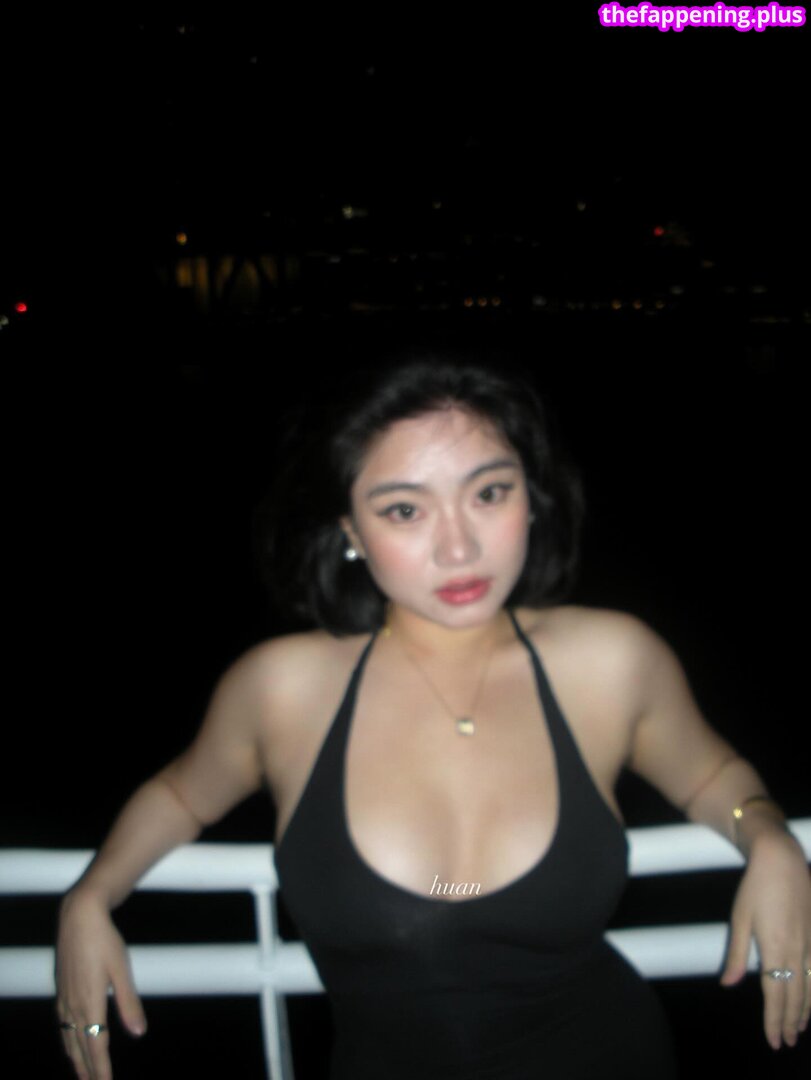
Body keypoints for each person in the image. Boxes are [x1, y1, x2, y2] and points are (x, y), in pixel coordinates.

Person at [56, 354, 811, 1079]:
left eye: (489, 493)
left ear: (531, 497)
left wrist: (769, 838)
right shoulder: (281, 688)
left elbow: (711, 775)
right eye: (405, 510)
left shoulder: (611, 661)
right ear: (351, 532)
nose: (458, 547)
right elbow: (182, 794)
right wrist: (92, 895)